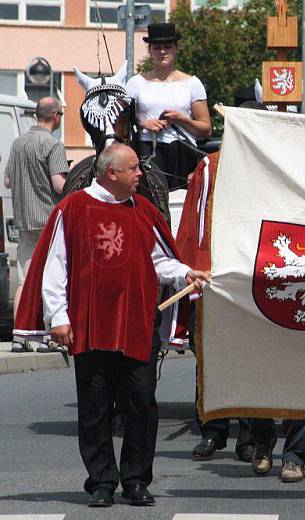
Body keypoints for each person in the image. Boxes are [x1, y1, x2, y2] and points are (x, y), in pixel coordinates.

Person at [12, 143, 209, 507]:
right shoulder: (73, 208)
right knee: (95, 407)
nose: (141, 175)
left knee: (141, 404)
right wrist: (58, 317)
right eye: (134, 169)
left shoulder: (143, 211)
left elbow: (159, 261)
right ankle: (101, 481)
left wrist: (184, 273)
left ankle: (136, 479)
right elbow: (56, 266)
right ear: (111, 173)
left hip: (136, 323)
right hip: (91, 325)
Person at [3, 96, 68, 353]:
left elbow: (8, 181)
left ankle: (19, 335)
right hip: (47, 220)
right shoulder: (52, 145)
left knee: (24, 280)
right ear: (55, 116)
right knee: (48, 280)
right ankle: (48, 336)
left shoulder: (17, 143)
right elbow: (58, 184)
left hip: (22, 221)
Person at [125, 23, 211, 189]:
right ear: (150, 50)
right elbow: (121, 122)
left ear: (176, 49)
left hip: (182, 150)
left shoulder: (192, 83)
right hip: (148, 148)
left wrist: (182, 119)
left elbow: (205, 128)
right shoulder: (136, 83)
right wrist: (144, 124)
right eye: (157, 47)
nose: (162, 52)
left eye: (167, 47)